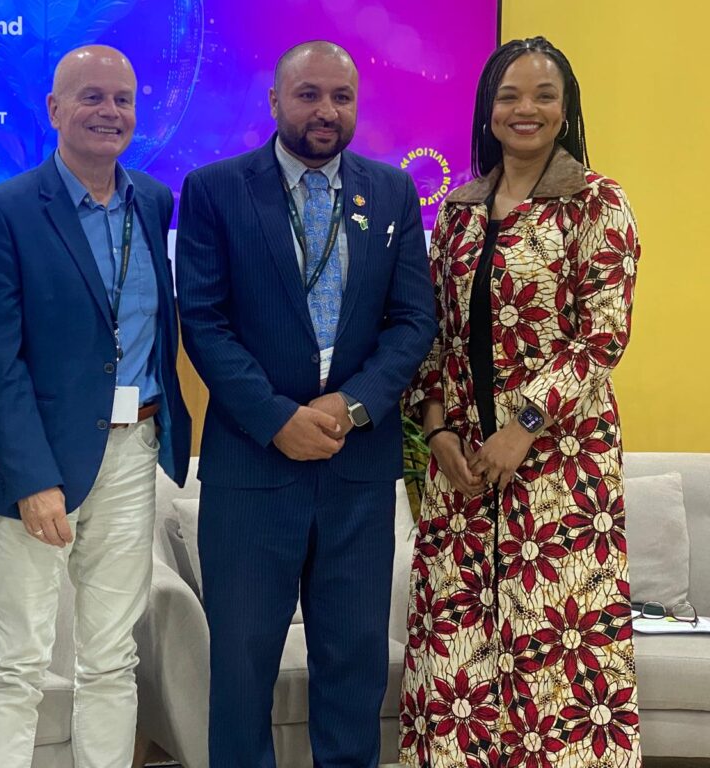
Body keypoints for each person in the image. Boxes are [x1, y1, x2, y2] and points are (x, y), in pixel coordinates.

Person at [176, 40, 436, 767]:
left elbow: (414, 319)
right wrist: (277, 419)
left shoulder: (388, 193)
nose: (326, 111)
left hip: (355, 470)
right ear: (275, 102)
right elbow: (203, 319)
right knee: (241, 665)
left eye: (341, 98)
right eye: (310, 94)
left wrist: (354, 407)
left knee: (352, 665)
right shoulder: (215, 189)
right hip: (253, 471)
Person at [400, 36, 642, 767]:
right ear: (488, 109)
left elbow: (602, 337)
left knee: (556, 672)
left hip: (562, 473)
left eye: (543, 95)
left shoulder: (597, 203)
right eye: (509, 95)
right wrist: (437, 431)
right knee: (455, 667)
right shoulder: (461, 211)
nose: (525, 109)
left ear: (566, 111)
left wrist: (523, 428)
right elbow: (433, 336)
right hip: (463, 474)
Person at [0, 45, 191, 767]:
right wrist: (33, 479)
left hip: (134, 449)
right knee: (20, 661)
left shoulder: (153, 202)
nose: (110, 112)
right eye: (91, 97)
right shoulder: (4, 211)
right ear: (55, 109)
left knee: (109, 657)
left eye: (123, 99)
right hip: (42, 461)